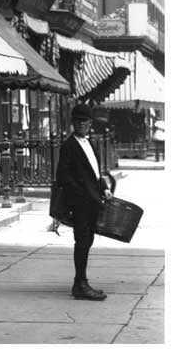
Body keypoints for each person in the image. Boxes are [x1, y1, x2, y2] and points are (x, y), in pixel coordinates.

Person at [56, 103, 112, 301]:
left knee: (87, 240)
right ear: (73, 123)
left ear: (90, 123)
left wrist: (104, 187)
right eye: (77, 121)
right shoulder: (68, 146)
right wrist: (80, 195)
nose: (81, 124)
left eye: (85, 121)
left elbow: (96, 173)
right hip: (80, 202)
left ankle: (80, 282)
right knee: (82, 241)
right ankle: (80, 284)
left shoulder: (90, 144)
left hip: (94, 200)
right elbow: (62, 176)